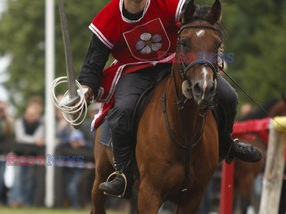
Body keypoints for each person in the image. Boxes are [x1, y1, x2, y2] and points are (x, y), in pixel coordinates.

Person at [77, 0, 262, 197]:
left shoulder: (166, 3)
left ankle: (226, 144)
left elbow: (200, 19)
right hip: (134, 70)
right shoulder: (108, 18)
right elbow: (93, 61)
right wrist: (86, 88)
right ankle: (123, 174)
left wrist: (215, 49)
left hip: (175, 63)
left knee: (228, 96)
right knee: (123, 110)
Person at [10, 101, 44, 207]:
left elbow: (37, 137)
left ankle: (25, 202)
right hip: (17, 155)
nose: (31, 117)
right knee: (17, 179)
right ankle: (15, 201)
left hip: (31, 156)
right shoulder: (19, 122)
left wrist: (32, 140)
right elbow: (21, 137)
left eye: (33, 115)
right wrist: (34, 141)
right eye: (29, 115)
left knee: (29, 180)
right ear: (25, 114)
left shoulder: (40, 124)